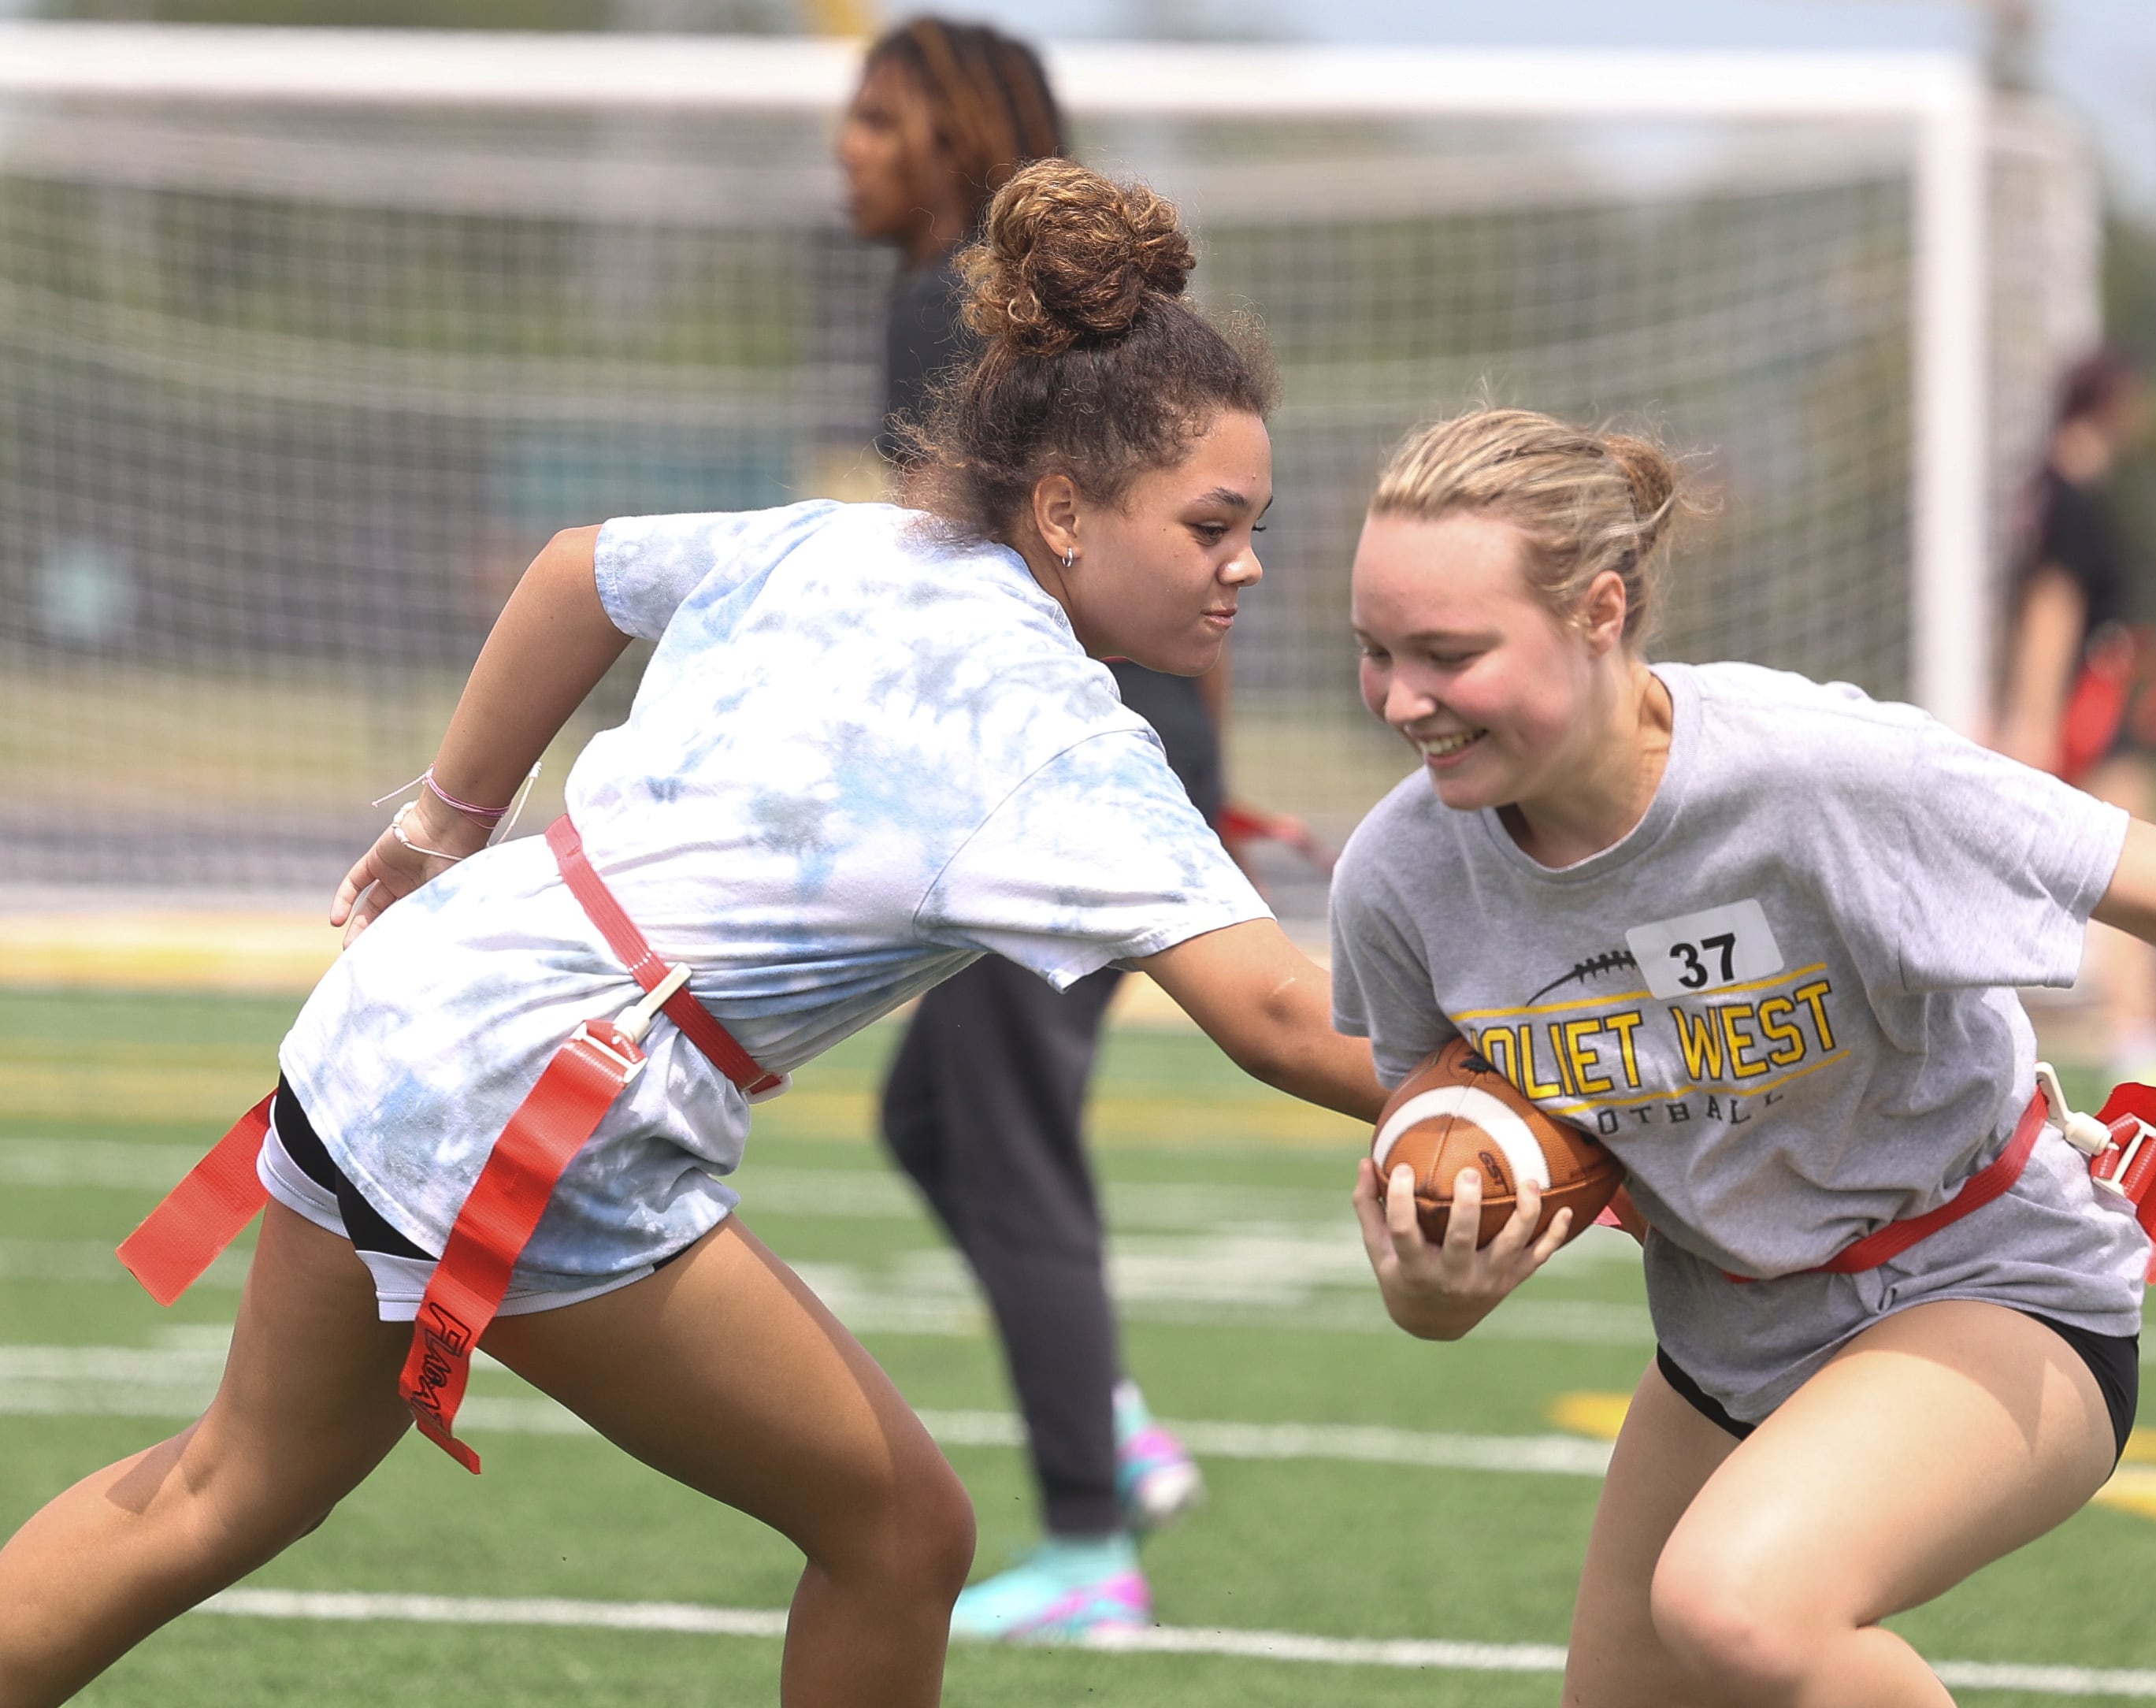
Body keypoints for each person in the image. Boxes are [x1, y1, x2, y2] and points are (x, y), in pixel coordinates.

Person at [0, 162, 1385, 1708]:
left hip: (404, 1009)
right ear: (1065, 508)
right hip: (534, 1101)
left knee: (221, 1487)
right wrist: (1576, 1097)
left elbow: (576, 566)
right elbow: (1281, 1016)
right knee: (901, 1534)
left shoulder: (853, 544)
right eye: (1216, 526)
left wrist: (447, 816)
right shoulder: (1052, 734)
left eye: (1255, 526)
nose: (1249, 565)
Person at [1328, 408, 2156, 1707]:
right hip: (1728, 1332)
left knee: (1737, 1602)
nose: (1401, 700)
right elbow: (1455, 1199)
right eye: (1371, 652)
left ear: (1598, 610)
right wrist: (1432, 1283)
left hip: (1988, 1274)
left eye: (1447, 652)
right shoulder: (1401, 875)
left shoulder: (1816, 776)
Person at [840, 17, 1224, 1638]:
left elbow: (1018, 579)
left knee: (1001, 1133)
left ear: (954, 135)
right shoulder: (957, 307)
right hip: (1113, 745)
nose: (845, 145)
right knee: (935, 1114)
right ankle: (1112, 1428)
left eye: (876, 117)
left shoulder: (954, 315)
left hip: (1054, 769)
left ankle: (1093, 1538)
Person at [1994, 352, 2156, 1077]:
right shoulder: (2067, 498)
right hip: (2081, 715)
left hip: (2085, 704)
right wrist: (2034, 722)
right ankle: (2138, 1040)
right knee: (2134, 862)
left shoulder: (2053, 492)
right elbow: (2051, 612)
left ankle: (2137, 1033)